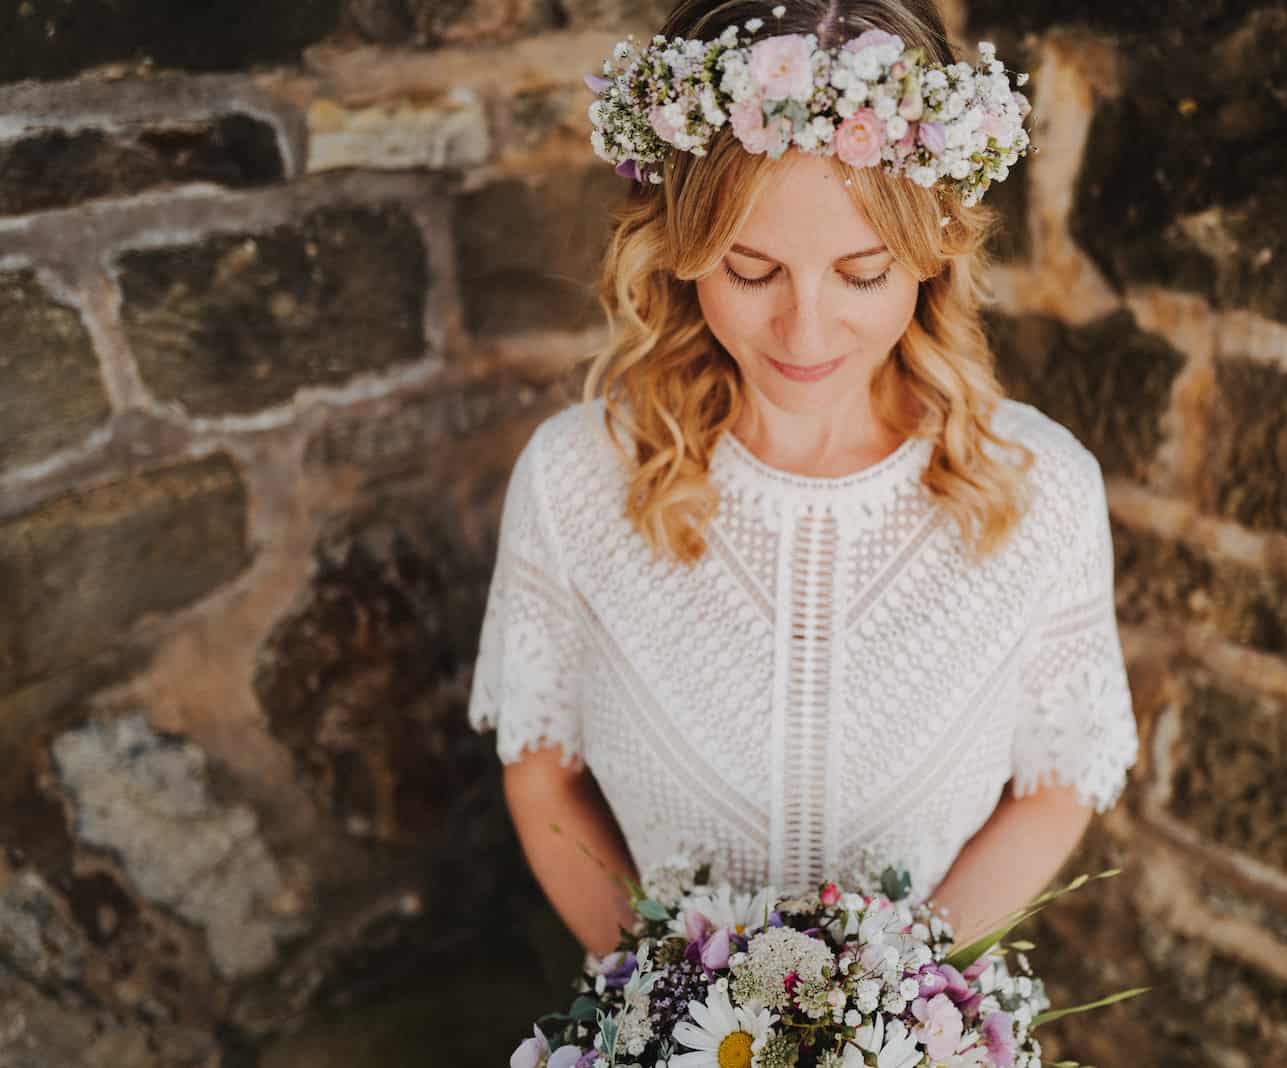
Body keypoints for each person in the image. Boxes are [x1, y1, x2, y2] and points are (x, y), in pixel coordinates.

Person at [467, 0, 1139, 960]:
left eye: (863, 274)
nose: (806, 333)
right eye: (750, 269)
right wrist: (670, 1008)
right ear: (682, 249)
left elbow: (1056, 785)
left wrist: (899, 1012)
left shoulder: (1038, 491)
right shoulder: (575, 479)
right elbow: (543, 784)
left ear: (931, 255)